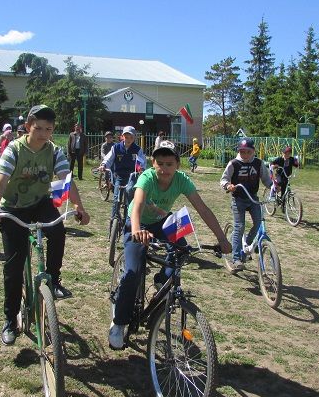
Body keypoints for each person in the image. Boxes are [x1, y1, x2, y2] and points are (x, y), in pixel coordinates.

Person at [0, 104, 90, 345]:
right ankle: (10, 320)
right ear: (28, 126)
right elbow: (0, 182)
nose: (43, 133)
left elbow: (66, 180)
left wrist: (78, 207)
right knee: (13, 267)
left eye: (48, 129)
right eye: (38, 128)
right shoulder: (14, 149)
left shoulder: (54, 151)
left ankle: (53, 279)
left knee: (58, 230)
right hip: (14, 207)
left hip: (40, 203)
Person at [108, 140, 231, 349]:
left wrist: (221, 238)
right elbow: (136, 205)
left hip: (162, 222)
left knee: (183, 250)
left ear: (177, 165)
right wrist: (137, 230)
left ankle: (161, 280)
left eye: (169, 164)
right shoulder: (146, 178)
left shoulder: (182, 180)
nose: (164, 169)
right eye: (160, 163)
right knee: (132, 272)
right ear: (153, 163)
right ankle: (119, 323)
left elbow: (203, 209)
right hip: (137, 224)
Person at [220, 138, 273, 272]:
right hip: (238, 199)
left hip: (253, 198)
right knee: (240, 226)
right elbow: (224, 178)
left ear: (253, 151)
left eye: (248, 152)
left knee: (258, 223)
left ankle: (247, 246)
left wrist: (273, 187)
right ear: (239, 151)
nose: (245, 154)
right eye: (242, 151)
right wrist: (228, 185)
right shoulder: (234, 163)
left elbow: (266, 179)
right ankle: (236, 258)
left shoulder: (258, 163)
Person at [99, 126, 146, 220]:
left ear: (134, 138)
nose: (128, 139)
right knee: (116, 199)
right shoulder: (116, 147)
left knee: (129, 192)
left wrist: (141, 169)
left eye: (131, 137)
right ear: (122, 137)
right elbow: (109, 159)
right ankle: (113, 220)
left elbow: (141, 162)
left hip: (132, 176)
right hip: (119, 176)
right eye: (126, 137)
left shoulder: (137, 149)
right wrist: (104, 165)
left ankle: (128, 219)